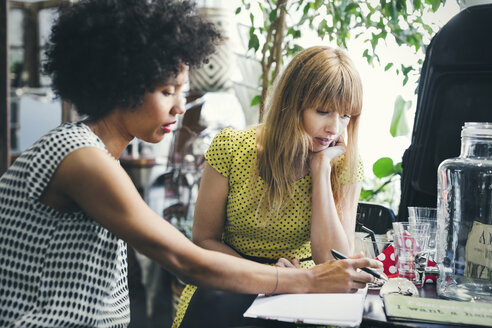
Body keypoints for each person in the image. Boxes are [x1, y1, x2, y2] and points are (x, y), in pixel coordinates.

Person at [0, 0, 381, 326]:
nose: (181, 107)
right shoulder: (81, 159)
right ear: (122, 85)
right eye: (167, 91)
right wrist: (309, 280)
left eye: (181, 90)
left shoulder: (98, 156)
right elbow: (187, 259)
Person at [174, 45, 367, 327]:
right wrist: (269, 278)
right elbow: (204, 239)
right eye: (323, 111)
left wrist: (321, 169)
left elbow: (331, 260)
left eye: (346, 115)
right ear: (292, 103)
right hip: (232, 280)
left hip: (304, 288)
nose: (334, 128)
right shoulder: (232, 148)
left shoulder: (344, 162)